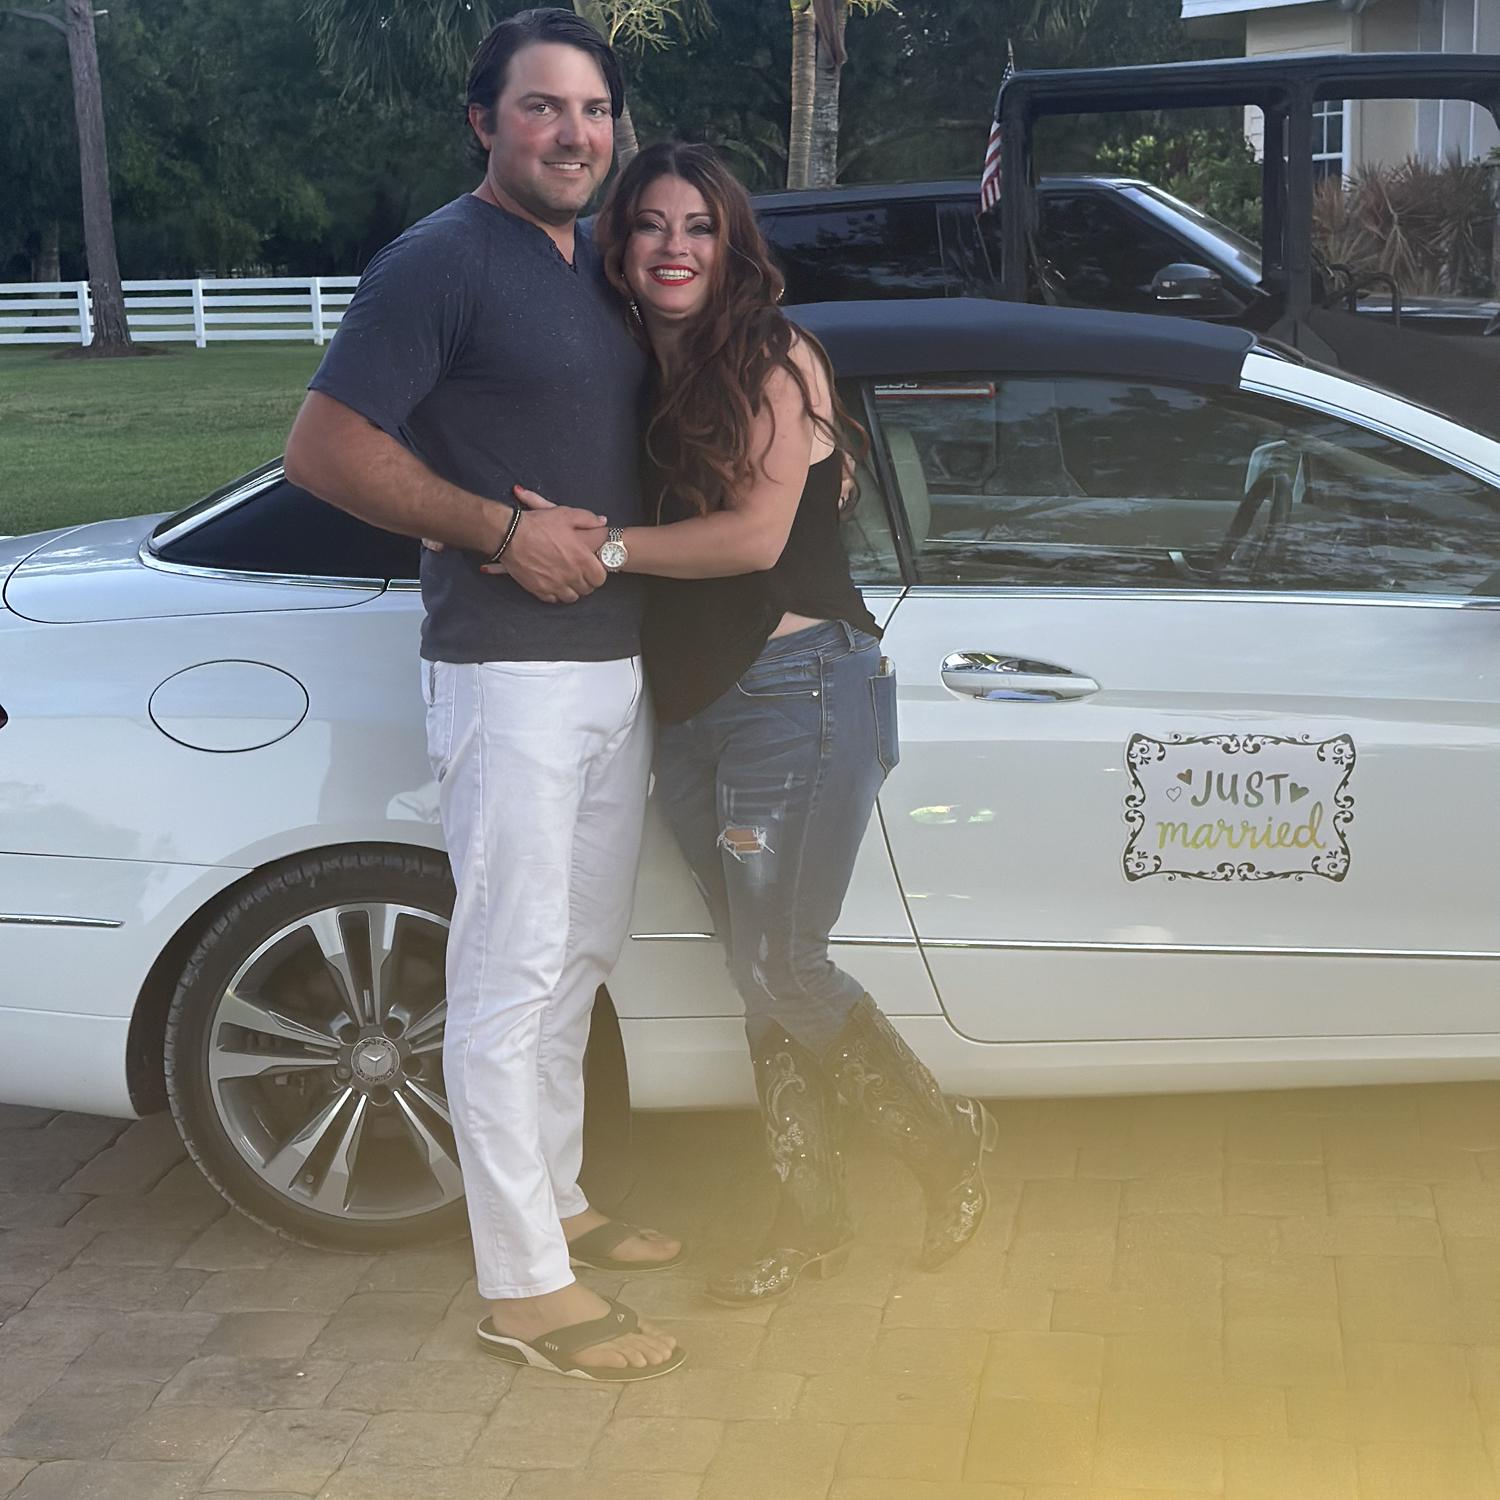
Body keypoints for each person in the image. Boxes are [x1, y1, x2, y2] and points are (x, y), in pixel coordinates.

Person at [509, 142, 1000, 1303]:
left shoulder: (776, 358)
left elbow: (752, 538)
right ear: (619, 246)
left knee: (785, 959)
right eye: (651, 225)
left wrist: (595, 550)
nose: (675, 247)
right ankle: (814, 1214)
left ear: (732, 246)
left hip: (800, 695)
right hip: (688, 714)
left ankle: (947, 1139)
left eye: (701, 227)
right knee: (756, 966)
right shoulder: (634, 365)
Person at [282, 9, 685, 1382]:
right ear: (483, 123)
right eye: (542, 107)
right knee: (509, 973)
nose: (575, 134)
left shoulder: (592, 261)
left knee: (577, 956)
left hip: (614, 664)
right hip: (507, 675)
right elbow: (322, 448)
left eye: (594, 110)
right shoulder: (439, 262)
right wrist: (499, 532)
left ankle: (557, 1201)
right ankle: (523, 1290)